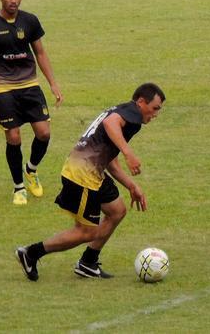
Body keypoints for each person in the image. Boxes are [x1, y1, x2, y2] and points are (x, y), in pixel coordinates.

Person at [15, 83, 165, 281]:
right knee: (87, 232)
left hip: (91, 172)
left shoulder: (125, 112)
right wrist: (129, 154)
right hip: (82, 176)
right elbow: (110, 124)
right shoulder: (131, 114)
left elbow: (109, 158)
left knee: (117, 211)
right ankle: (31, 253)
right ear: (141, 102)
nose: (155, 114)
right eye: (155, 108)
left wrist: (131, 185)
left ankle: (88, 262)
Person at [0, 0, 63, 206]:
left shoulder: (30, 21)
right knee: (13, 137)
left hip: (30, 85)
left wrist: (52, 82)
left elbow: (40, 53)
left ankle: (31, 170)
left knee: (44, 133)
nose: (13, 0)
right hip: (3, 88)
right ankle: (18, 187)